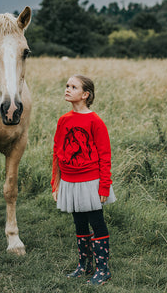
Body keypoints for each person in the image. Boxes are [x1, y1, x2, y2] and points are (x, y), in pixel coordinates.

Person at [51, 74, 116, 285]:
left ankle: (103, 269)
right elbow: (57, 152)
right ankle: (84, 265)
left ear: (85, 94)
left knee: (96, 222)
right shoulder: (64, 120)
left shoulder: (95, 121)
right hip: (69, 181)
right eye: (67, 85)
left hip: (91, 181)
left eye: (73, 87)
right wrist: (56, 182)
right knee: (79, 223)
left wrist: (104, 186)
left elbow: (105, 155)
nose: (67, 89)